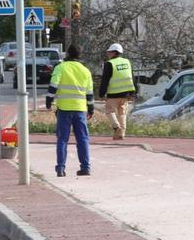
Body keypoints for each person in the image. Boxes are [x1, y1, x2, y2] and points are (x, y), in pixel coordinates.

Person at [46, 44, 94, 177]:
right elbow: (90, 93)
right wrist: (91, 109)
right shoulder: (85, 71)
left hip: (64, 109)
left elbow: (53, 86)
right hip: (80, 109)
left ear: (67, 54)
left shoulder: (60, 68)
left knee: (62, 139)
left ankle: (60, 168)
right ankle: (85, 168)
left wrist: (49, 102)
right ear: (80, 55)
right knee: (83, 139)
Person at [99, 43, 135, 140]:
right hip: (125, 94)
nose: (108, 53)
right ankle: (121, 134)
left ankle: (116, 127)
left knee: (109, 110)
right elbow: (131, 77)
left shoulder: (109, 64)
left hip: (113, 94)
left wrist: (101, 93)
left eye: (109, 52)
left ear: (115, 52)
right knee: (122, 113)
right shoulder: (127, 62)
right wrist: (133, 93)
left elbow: (105, 80)